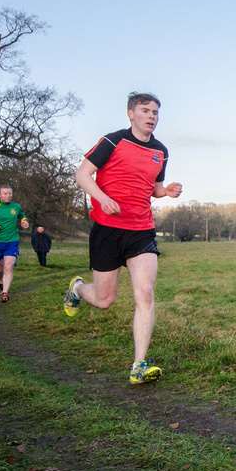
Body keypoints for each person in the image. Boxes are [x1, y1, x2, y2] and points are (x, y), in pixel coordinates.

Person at [63, 92, 183, 384]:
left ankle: (139, 365)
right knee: (105, 300)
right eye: (145, 110)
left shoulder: (161, 151)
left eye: (156, 111)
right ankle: (78, 289)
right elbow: (82, 175)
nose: (151, 116)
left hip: (141, 229)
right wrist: (102, 198)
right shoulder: (113, 141)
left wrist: (166, 192)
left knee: (145, 293)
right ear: (131, 114)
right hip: (107, 228)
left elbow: (154, 187)